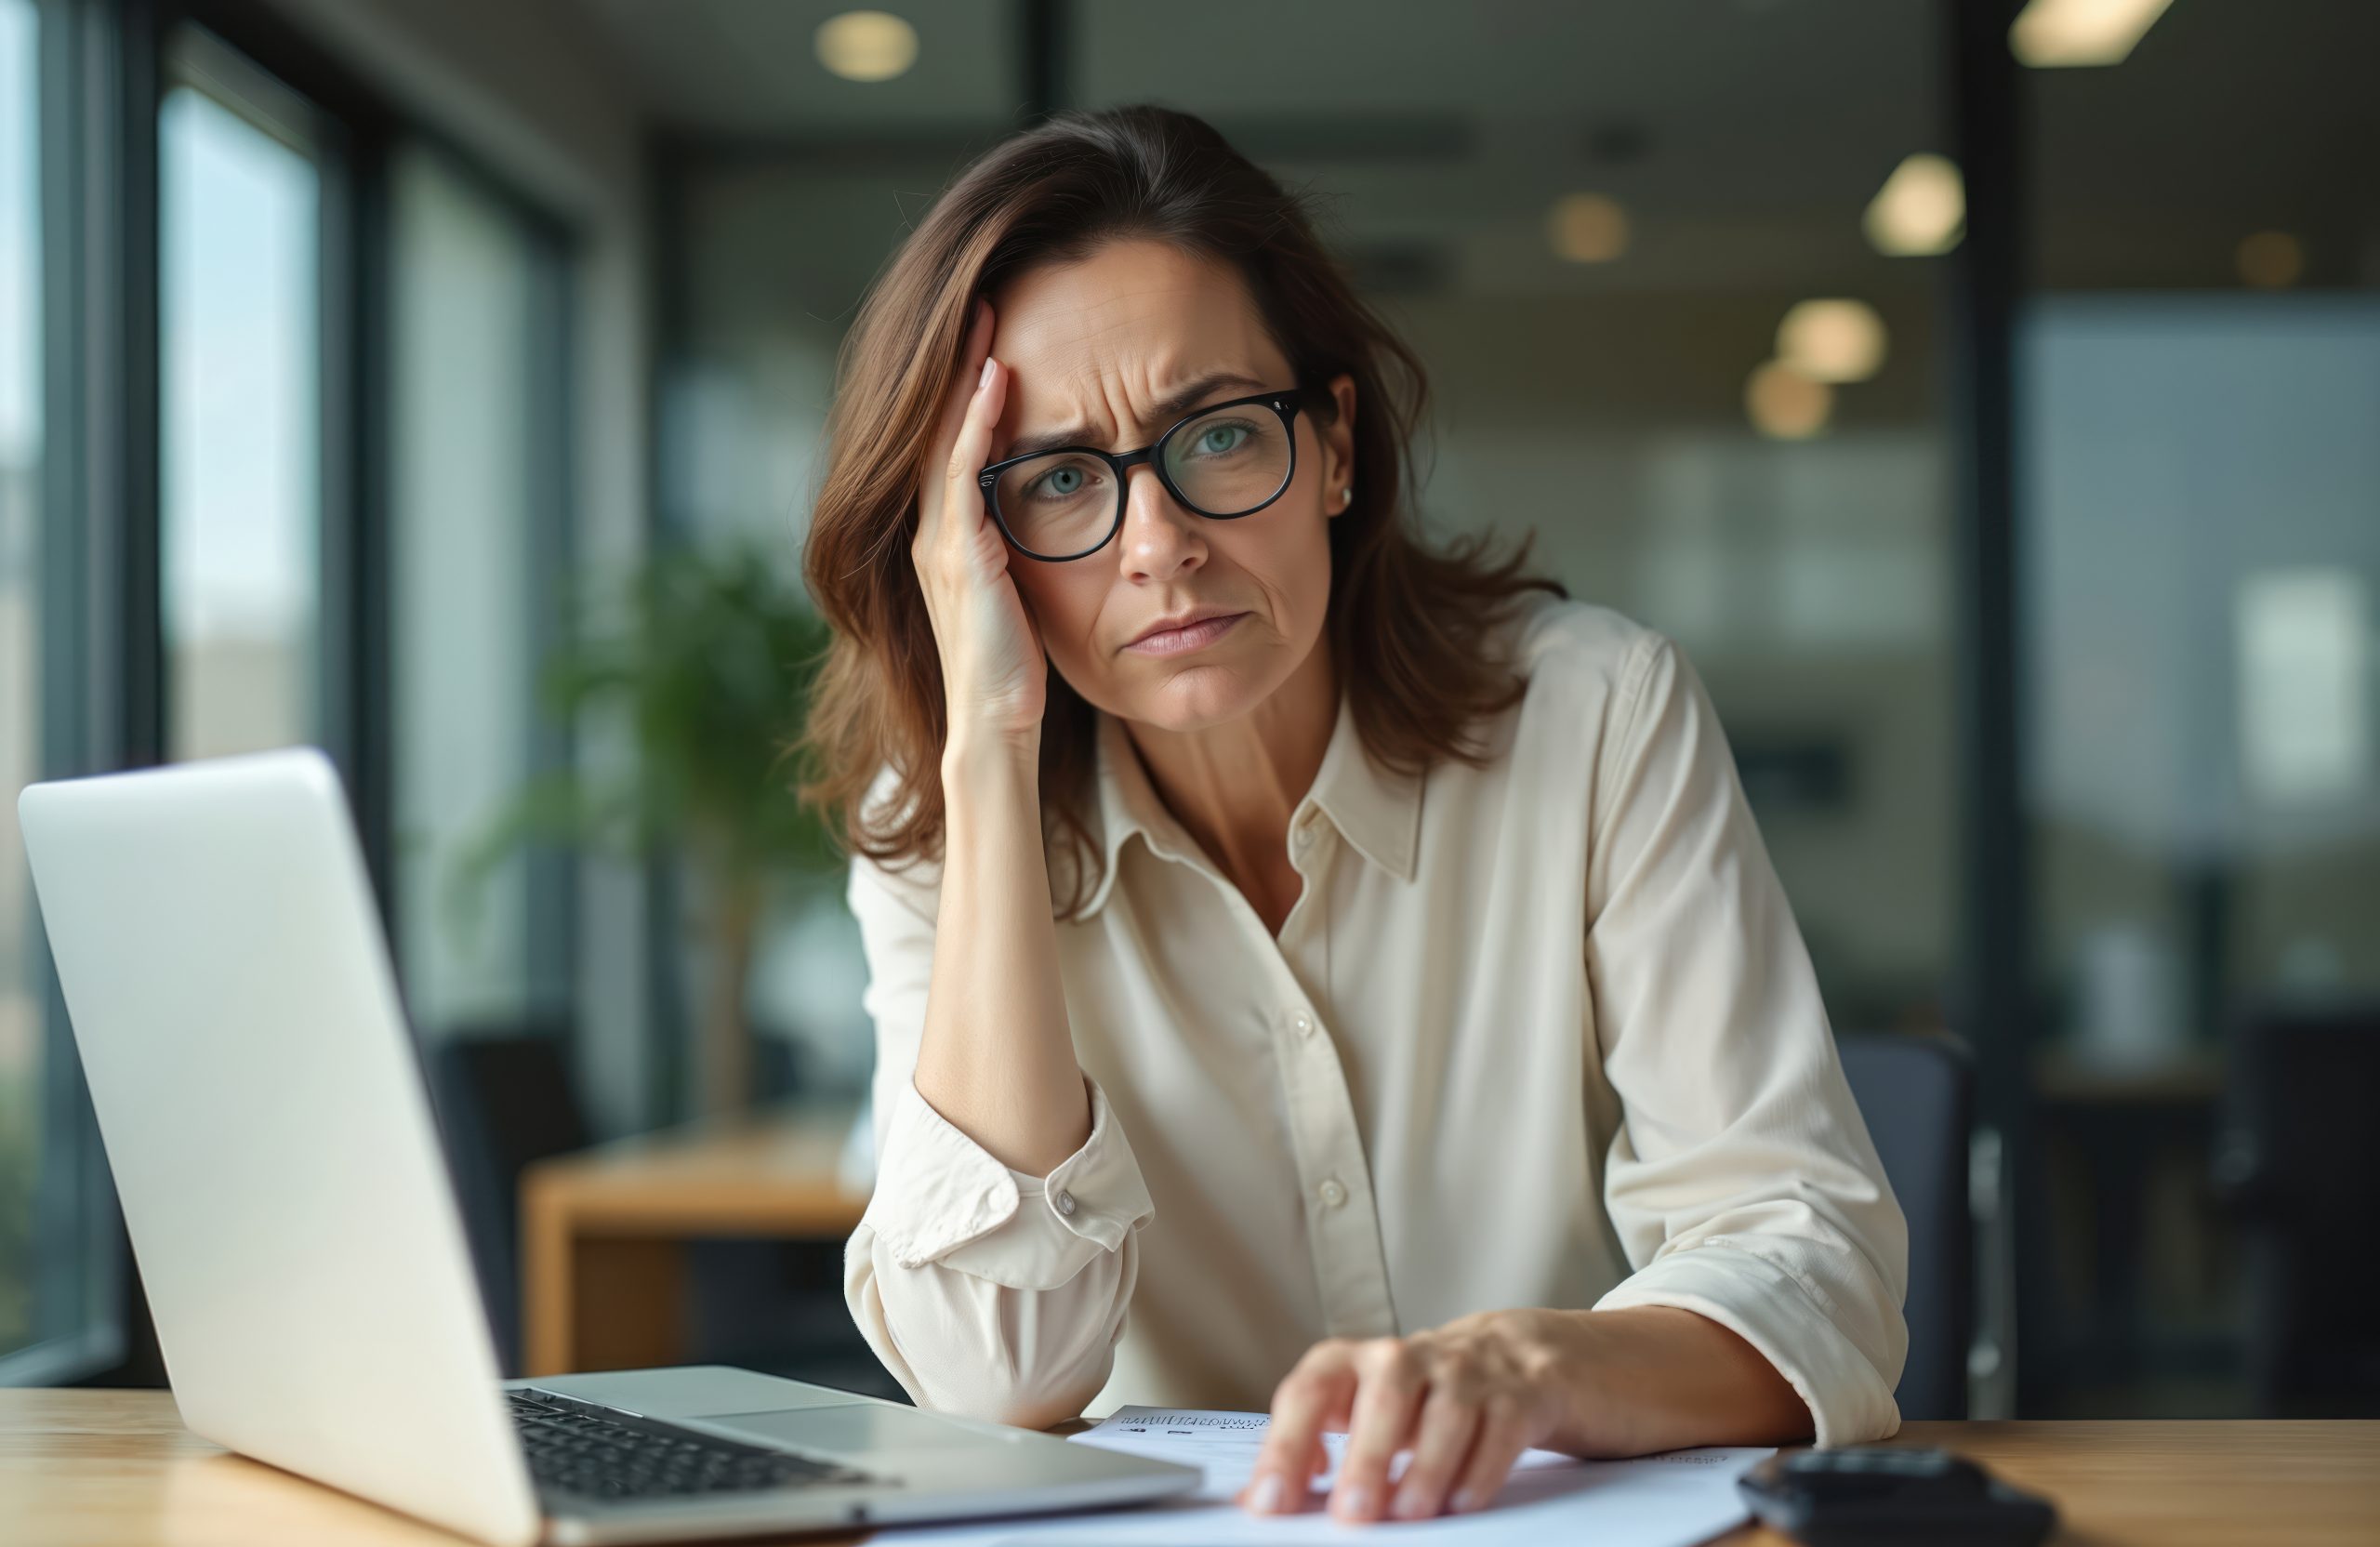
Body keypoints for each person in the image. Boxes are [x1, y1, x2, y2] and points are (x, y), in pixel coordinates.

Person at [798, 104, 1906, 1527]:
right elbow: (988, 1373)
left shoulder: (1593, 716)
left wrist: (1534, 1368)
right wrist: (991, 754)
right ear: (971, 545)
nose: (1160, 546)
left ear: (1329, 445)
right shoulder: (947, 819)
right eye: (1060, 478)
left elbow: (1812, 1262)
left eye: (1216, 435)